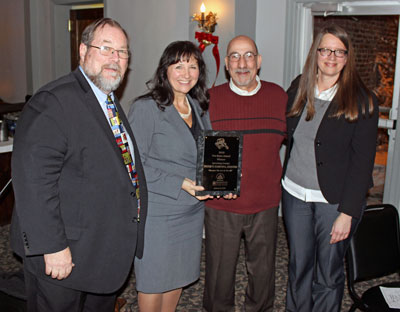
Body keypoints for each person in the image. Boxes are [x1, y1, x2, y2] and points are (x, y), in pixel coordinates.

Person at [10, 18, 148, 312]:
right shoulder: (55, 101)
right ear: (83, 51)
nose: (115, 58)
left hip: (100, 252)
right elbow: (33, 181)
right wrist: (52, 246)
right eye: (106, 48)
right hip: (63, 258)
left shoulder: (108, 102)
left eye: (122, 52)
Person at [282, 25, 378, 312]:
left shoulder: (362, 100)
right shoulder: (299, 86)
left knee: (328, 272)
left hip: (333, 203)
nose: (331, 57)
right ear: (316, 53)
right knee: (298, 267)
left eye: (339, 51)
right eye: (325, 49)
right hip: (294, 195)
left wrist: (347, 213)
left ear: (348, 57)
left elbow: (362, 163)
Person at [203, 35, 288, 312]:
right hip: (221, 205)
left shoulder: (279, 97)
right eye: (235, 57)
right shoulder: (209, 100)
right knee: (219, 276)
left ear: (259, 61)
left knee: (263, 275)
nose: (242, 63)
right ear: (226, 64)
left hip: (265, 204)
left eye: (249, 55)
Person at [128, 41, 212, 312]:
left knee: (177, 279)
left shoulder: (198, 107)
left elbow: (206, 153)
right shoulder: (146, 108)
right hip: (159, 215)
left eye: (192, 66)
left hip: (191, 212)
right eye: (178, 66)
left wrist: (226, 175)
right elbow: (133, 164)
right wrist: (180, 184)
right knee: (153, 282)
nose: (186, 73)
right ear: (165, 70)